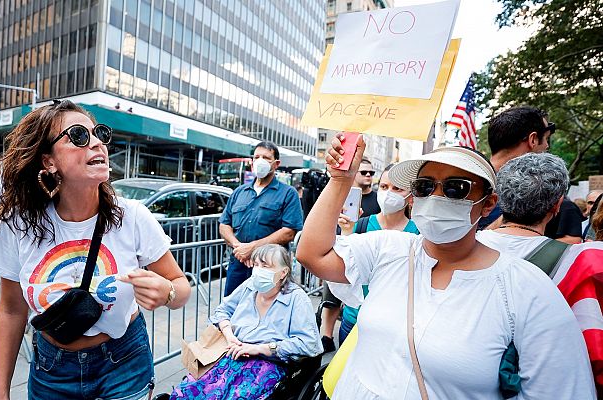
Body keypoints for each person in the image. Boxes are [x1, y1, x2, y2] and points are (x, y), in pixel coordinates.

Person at [297, 136, 595, 399]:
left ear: (488, 203)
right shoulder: (388, 249)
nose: (436, 197)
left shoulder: (525, 288)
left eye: (456, 188)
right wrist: (339, 180)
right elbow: (313, 254)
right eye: (425, 187)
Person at [0, 100, 191, 400]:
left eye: (99, 134)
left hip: (124, 361)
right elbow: (12, 310)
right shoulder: (18, 224)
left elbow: (181, 286)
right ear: (48, 161)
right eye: (79, 136)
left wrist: (168, 292)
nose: (97, 144)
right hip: (52, 372)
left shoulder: (132, 216)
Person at [476, 152, 603, 394]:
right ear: (556, 206)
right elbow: (592, 348)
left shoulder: (462, 250)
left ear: (500, 199)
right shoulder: (577, 263)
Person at [170, 244, 322, 399]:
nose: (258, 270)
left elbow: (308, 343)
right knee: (188, 391)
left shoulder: (297, 298)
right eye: (256, 265)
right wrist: (230, 336)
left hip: (267, 363)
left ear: (283, 272)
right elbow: (222, 311)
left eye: (265, 265)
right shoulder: (250, 286)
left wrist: (260, 348)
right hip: (233, 353)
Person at [334, 163, 419, 344]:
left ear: (410, 196)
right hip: (354, 319)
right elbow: (343, 266)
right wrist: (346, 232)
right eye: (384, 187)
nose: (388, 193)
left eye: (397, 189)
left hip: (394, 325)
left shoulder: (418, 234)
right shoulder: (360, 225)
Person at [484, 106, 584, 243]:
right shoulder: (470, 187)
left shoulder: (466, 184)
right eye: (546, 139)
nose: (547, 147)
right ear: (533, 140)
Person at [218, 141, 303, 296]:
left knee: (268, 310)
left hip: (270, 266)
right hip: (239, 264)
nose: (260, 161)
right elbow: (224, 224)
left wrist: (252, 248)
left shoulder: (288, 193)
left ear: (276, 164)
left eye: (266, 157)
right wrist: (240, 248)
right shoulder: (239, 192)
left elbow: (289, 232)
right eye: (257, 157)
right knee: (232, 310)